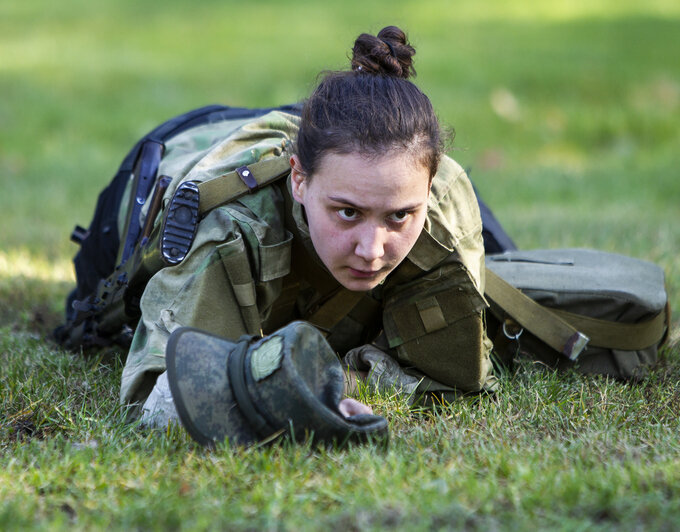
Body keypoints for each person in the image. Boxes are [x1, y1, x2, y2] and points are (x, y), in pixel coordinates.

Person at [60, 26, 500, 443]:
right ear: (299, 179)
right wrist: (297, 394)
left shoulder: (442, 210)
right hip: (169, 157)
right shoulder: (231, 228)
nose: (372, 250)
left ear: (429, 187)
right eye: (348, 212)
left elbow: (458, 378)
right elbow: (161, 404)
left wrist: (346, 382)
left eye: (400, 216)